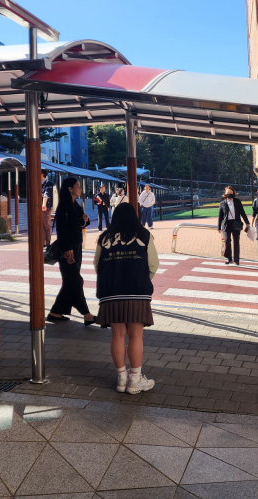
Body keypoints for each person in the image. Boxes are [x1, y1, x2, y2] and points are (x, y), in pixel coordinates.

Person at [95, 202, 158, 394]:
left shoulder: (104, 238)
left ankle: (122, 379)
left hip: (111, 293)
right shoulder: (144, 235)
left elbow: (98, 266)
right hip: (137, 291)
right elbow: (153, 265)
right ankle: (135, 381)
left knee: (118, 335)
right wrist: (142, 278)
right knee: (136, 335)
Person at [47, 177, 96, 326]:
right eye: (77, 186)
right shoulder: (64, 206)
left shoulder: (75, 205)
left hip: (76, 246)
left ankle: (56, 312)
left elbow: (80, 224)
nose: (80, 188)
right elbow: (61, 230)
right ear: (70, 189)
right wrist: (67, 249)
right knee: (75, 280)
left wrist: (85, 219)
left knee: (70, 280)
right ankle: (87, 314)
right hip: (67, 248)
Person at [217, 186, 250, 265]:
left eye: (230, 192)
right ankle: (229, 258)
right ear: (225, 194)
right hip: (226, 224)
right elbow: (220, 216)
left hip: (236, 223)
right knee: (227, 241)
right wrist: (218, 227)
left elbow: (242, 212)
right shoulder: (222, 203)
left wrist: (247, 222)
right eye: (227, 192)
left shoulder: (237, 201)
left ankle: (236, 260)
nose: (229, 194)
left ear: (233, 193)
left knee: (236, 241)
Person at [41, 169, 54, 247]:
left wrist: (44, 204)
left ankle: (48, 242)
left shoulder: (48, 183)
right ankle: (43, 243)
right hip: (39, 206)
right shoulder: (38, 184)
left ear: (42, 174)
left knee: (46, 224)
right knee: (41, 225)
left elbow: (47, 194)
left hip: (46, 207)